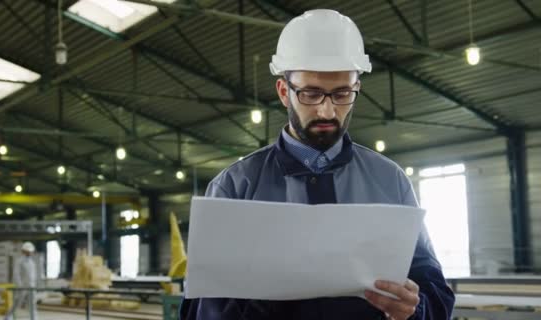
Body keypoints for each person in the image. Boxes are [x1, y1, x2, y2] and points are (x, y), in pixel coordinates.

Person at [180, 9, 455, 320]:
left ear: (357, 88)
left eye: (341, 94)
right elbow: (198, 309)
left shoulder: (390, 180)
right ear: (284, 92)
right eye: (311, 94)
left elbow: (436, 292)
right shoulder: (235, 187)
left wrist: (415, 309)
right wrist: (265, 298)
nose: (327, 111)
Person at [4, 242, 38, 320]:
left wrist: (34, 286)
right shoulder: (19, 261)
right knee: (17, 303)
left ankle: (34, 318)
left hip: (31, 287)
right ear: (23, 251)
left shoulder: (32, 262)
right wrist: (20, 286)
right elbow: (16, 274)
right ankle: (8, 317)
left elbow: (33, 276)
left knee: (32, 304)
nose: (29, 253)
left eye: (30, 251)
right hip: (22, 287)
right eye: (28, 251)